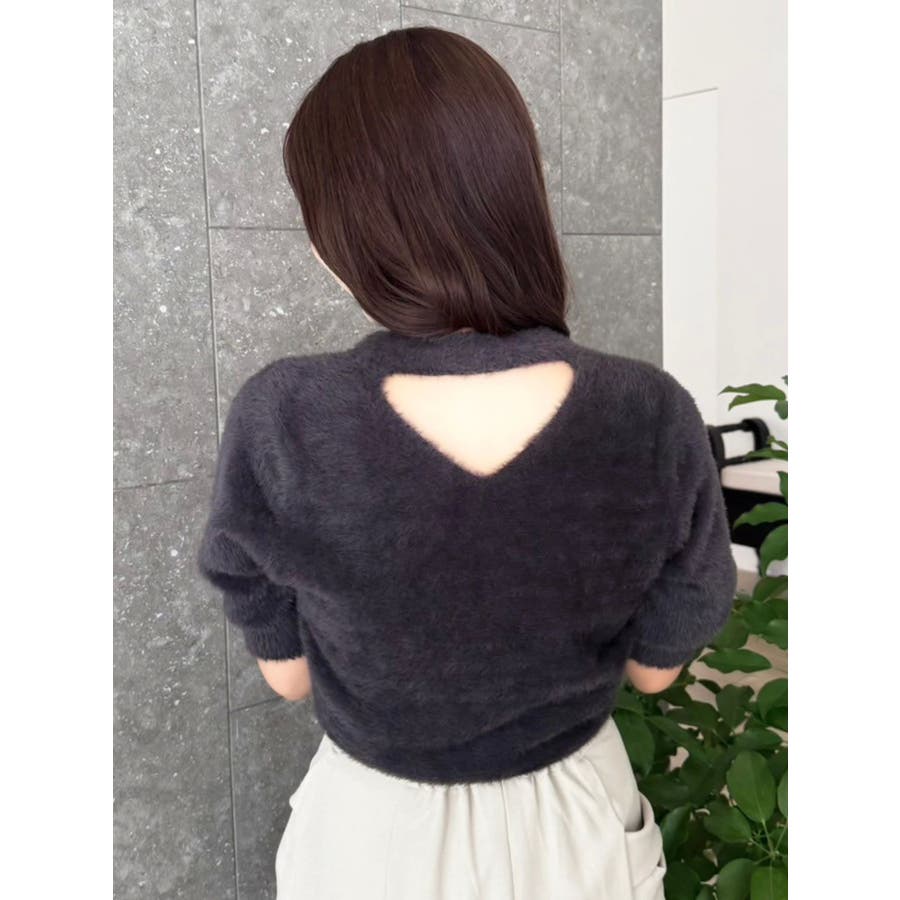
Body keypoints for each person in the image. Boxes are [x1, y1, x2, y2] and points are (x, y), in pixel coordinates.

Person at [196, 25, 738, 900]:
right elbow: (654, 670)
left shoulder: (285, 416)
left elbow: (289, 679)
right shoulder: (651, 412)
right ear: (518, 192)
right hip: (579, 823)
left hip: (372, 834)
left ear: (341, 235)